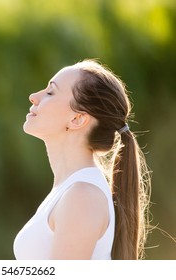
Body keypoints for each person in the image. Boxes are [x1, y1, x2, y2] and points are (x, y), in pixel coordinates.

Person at [13, 59, 151, 260]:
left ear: (77, 119)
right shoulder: (71, 191)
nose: (34, 97)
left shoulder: (82, 196)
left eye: (50, 92)